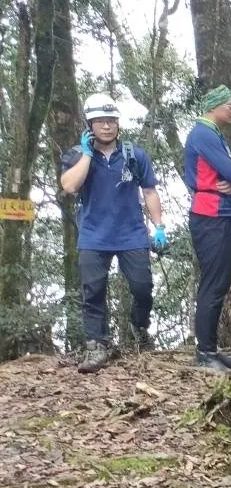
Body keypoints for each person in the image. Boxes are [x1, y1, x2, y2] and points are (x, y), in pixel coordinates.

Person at [58, 94, 168, 373]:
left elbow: (150, 191)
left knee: (143, 287)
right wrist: (87, 154)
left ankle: (139, 326)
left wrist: (159, 226)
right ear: (89, 125)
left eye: (111, 121)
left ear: (118, 124)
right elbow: (69, 186)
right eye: (100, 121)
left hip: (132, 234)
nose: (106, 126)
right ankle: (97, 344)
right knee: (93, 291)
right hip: (93, 235)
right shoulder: (76, 155)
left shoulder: (135, 155)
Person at [184, 84, 231, 371]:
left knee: (219, 281)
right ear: (214, 106)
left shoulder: (213, 134)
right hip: (211, 214)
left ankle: (210, 348)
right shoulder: (203, 134)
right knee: (214, 282)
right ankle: (205, 353)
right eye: (230, 106)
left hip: (222, 212)